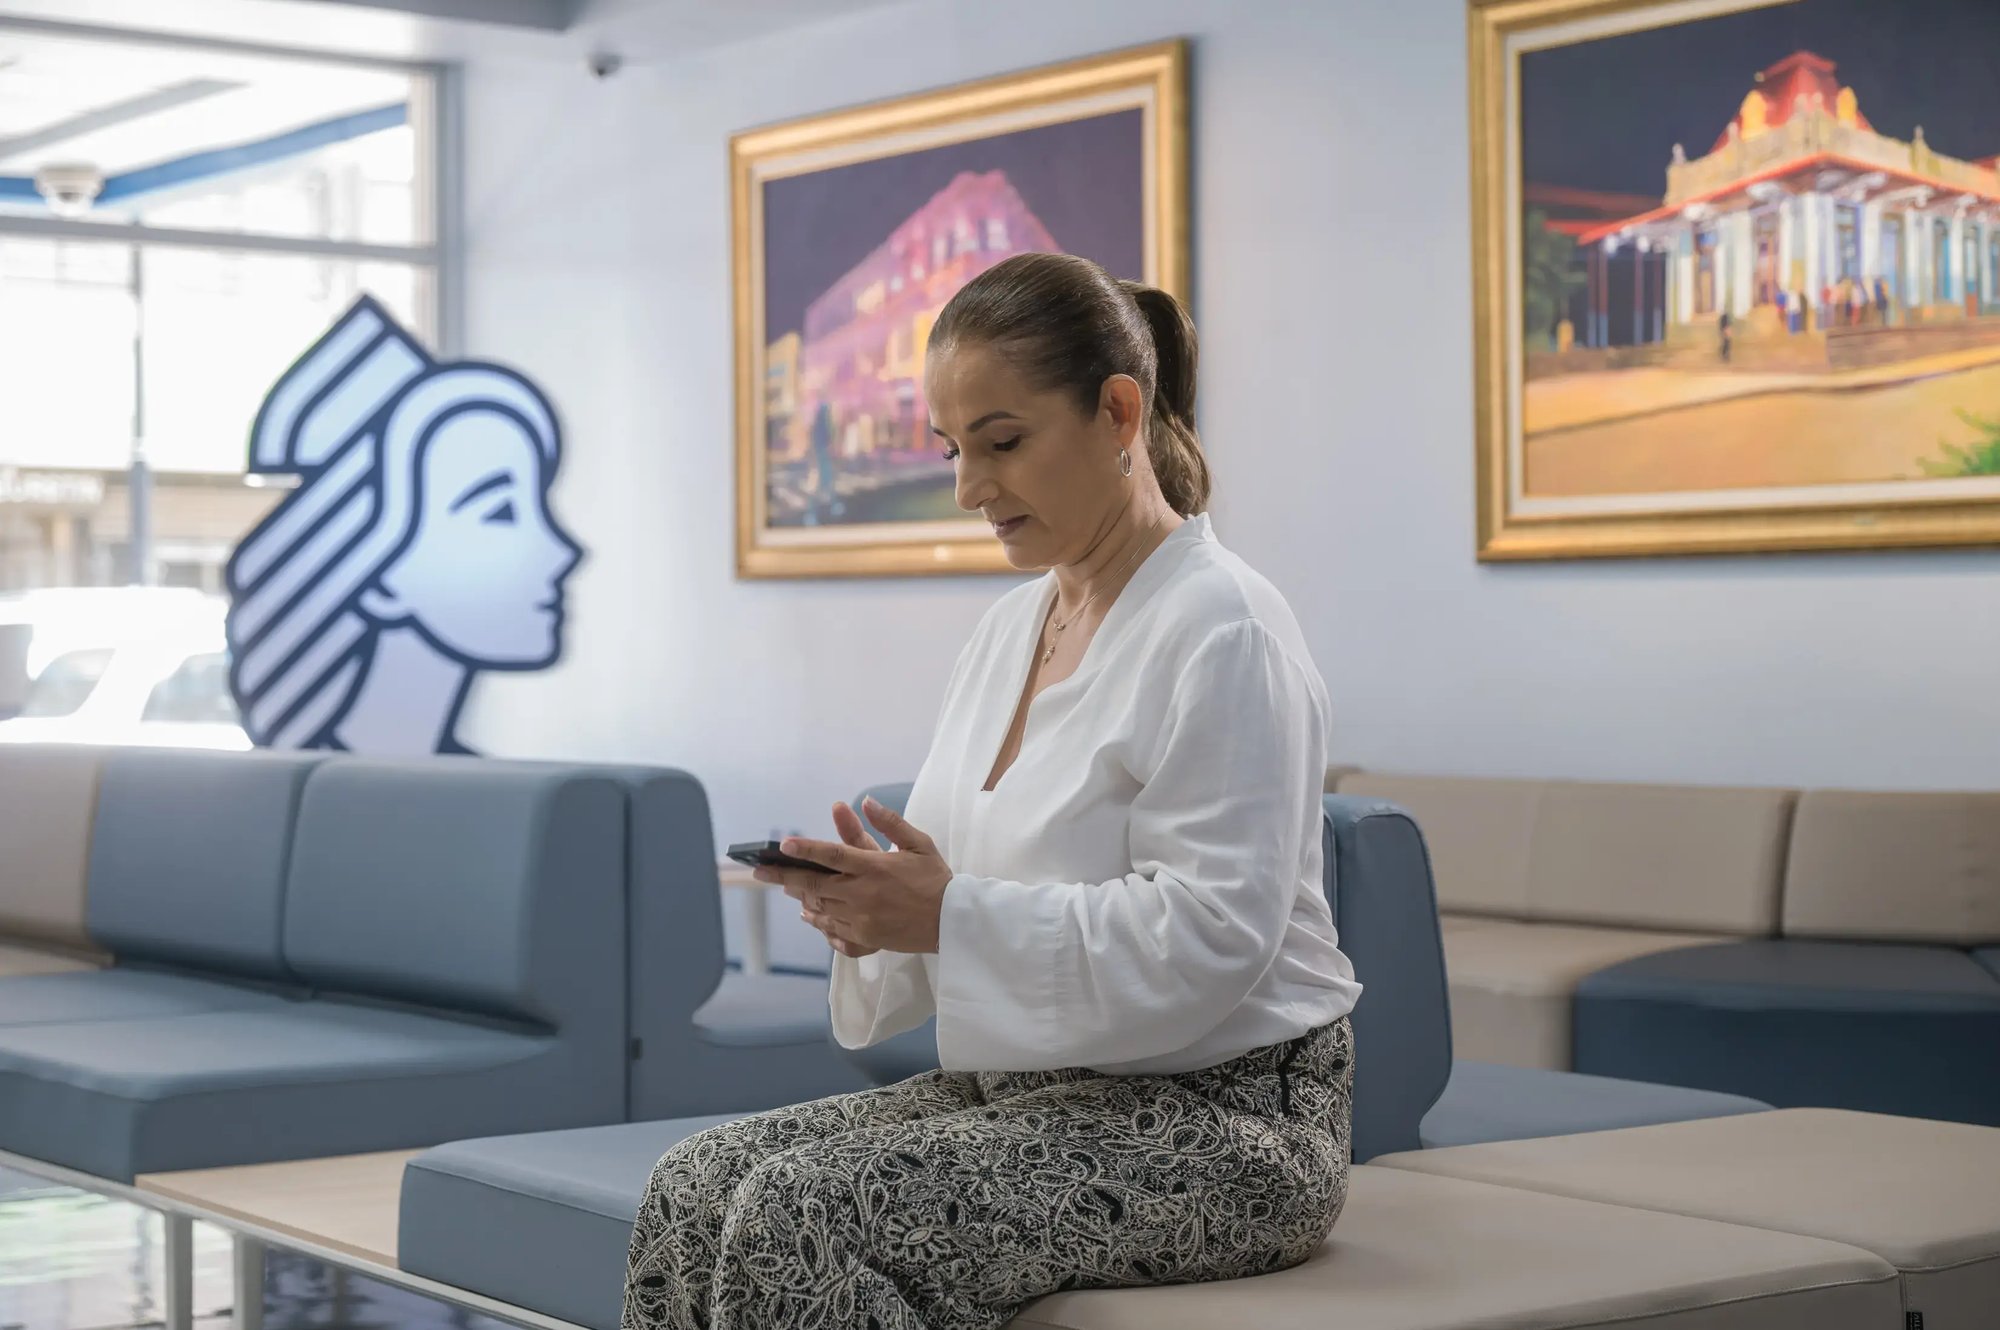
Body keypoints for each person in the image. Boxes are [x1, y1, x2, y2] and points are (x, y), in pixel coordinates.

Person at [623, 251, 1361, 1330]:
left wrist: (945, 914)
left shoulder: (1223, 629)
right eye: (953, 450)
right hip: (1034, 1096)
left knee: (805, 1213)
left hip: (1230, 1122)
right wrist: (872, 911)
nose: (970, 489)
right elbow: (953, 888)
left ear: (1118, 412)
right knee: (690, 1186)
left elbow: (1212, 933)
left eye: (1002, 444)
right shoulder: (1009, 632)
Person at [225, 298, 583, 754]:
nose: (563, 550)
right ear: (379, 579)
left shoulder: (489, 795)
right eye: (501, 511)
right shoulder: (333, 802)